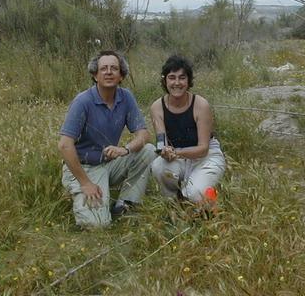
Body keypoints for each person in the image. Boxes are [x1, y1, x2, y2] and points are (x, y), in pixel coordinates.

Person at [58, 50, 156, 228]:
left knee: (148, 150)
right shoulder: (83, 102)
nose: (108, 72)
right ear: (95, 75)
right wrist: (86, 183)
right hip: (84, 168)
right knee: (97, 225)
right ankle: (83, 196)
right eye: (103, 68)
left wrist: (125, 149)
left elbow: (143, 134)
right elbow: (65, 145)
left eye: (114, 68)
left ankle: (125, 203)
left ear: (121, 76)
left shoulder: (126, 97)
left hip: (109, 162)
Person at [150, 55, 226, 205]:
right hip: (178, 157)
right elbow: (161, 142)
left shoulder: (201, 105)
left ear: (188, 81)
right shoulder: (157, 107)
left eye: (182, 78)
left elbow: (203, 149)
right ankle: (172, 200)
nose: (177, 83)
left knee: (196, 195)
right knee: (158, 166)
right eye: (172, 78)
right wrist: (164, 151)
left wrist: (176, 152)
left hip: (205, 156)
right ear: (165, 80)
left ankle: (206, 194)